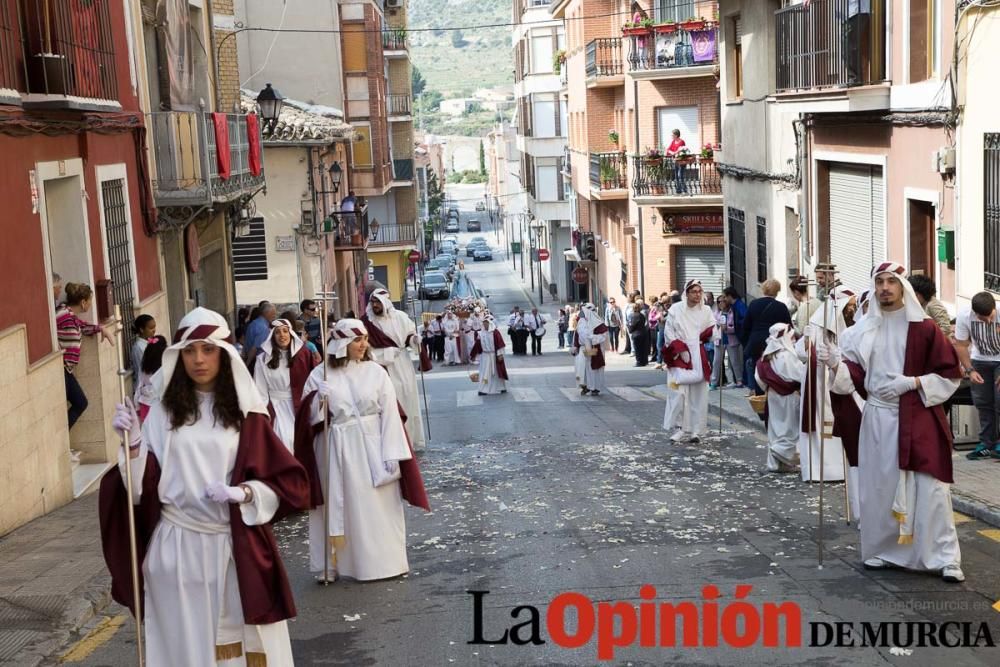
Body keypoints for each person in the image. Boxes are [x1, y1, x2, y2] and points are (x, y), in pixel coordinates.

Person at [99, 307, 310, 666]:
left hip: (233, 547)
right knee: (185, 651)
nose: (198, 359)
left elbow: (288, 485)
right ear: (178, 357)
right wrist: (133, 445)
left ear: (225, 354)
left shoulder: (248, 413)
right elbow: (138, 494)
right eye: (190, 351)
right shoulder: (162, 415)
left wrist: (245, 494)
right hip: (177, 551)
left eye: (208, 349)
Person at [823, 262, 964, 582]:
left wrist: (913, 383)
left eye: (891, 281)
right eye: (879, 282)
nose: (885, 287)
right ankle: (882, 551)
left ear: (902, 286)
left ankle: (944, 557)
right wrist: (834, 364)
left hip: (918, 415)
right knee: (880, 487)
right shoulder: (861, 331)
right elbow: (853, 380)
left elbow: (949, 373)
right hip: (878, 418)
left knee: (932, 489)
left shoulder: (925, 328)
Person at [294, 319, 429, 582]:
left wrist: (393, 453)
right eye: (358, 340)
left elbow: (390, 412)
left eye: (365, 338)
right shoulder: (319, 375)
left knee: (377, 506)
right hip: (336, 445)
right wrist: (316, 400)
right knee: (339, 504)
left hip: (373, 444)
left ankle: (385, 562)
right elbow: (308, 420)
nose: (364, 344)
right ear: (342, 343)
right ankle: (332, 564)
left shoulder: (376, 372)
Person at [795, 285, 857, 484]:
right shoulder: (815, 324)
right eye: (850, 306)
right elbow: (801, 353)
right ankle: (817, 469)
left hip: (839, 378)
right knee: (819, 422)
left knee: (840, 419)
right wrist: (807, 344)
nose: (852, 310)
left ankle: (840, 469)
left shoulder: (849, 325)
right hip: (818, 382)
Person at [362, 289, 427, 451]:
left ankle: (411, 439)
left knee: (409, 398)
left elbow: (408, 337)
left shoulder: (400, 317)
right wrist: (387, 353)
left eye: (378, 302)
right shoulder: (366, 322)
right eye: (373, 302)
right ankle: (395, 443)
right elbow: (365, 352)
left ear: (386, 303)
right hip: (383, 368)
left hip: (403, 364)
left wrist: (415, 340)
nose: (375, 305)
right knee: (391, 403)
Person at [662, 280, 716, 443]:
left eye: (700, 291)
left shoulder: (706, 310)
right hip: (680, 354)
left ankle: (696, 430)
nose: (697, 294)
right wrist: (680, 349)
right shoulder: (675, 310)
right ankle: (679, 428)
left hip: (698, 354)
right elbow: (669, 333)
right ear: (687, 292)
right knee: (678, 393)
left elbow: (712, 331)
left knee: (698, 393)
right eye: (694, 291)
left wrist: (717, 330)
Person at [254, 318, 317, 453]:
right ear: (272, 336)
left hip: (299, 406)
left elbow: (313, 380)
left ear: (291, 333)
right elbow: (260, 390)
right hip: (276, 407)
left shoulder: (303, 355)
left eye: (285, 331)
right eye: (277, 332)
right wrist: (264, 414)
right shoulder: (263, 359)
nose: (282, 335)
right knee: (283, 443)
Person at [57, 283, 114, 430]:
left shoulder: (71, 316)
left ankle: (64, 440)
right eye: (90, 301)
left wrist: (101, 328)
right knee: (78, 403)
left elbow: (82, 326)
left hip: (67, 370)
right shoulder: (63, 314)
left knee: (81, 403)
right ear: (83, 302)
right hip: (61, 370)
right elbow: (51, 326)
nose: (90, 304)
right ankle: (62, 443)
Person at [954, 291, 1000, 460]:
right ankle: (986, 443)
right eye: (982, 318)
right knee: (983, 402)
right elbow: (961, 345)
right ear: (974, 313)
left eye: (990, 316)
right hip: (979, 360)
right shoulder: (965, 316)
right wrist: (970, 370)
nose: (988, 321)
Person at [755, 323, 804, 473]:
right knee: (790, 429)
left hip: (773, 396)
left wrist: (770, 388)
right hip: (789, 397)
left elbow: (759, 378)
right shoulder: (788, 356)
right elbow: (800, 376)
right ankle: (780, 452)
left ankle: (776, 463)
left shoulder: (766, 356)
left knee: (776, 429)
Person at [741, 279, 792, 394]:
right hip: (774, 344)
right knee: (774, 370)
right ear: (777, 291)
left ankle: (760, 396)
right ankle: (772, 395)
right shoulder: (781, 307)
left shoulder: (754, 304)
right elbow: (788, 327)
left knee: (757, 369)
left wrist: (747, 343)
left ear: (763, 289)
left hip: (756, 343)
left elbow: (745, 326)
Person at [576, 304, 609, 395]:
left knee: (595, 368)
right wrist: (576, 345)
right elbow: (578, 333)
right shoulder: (581, 321)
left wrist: (592, 338)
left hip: (596, 348)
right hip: (585, 347)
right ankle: (586, 386)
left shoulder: (598, 322)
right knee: (585, 368)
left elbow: (604, 335)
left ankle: (595, 388)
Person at [471, 315, 509, 395]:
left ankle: (501, 387)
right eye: (484, 323)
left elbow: (500, 344)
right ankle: (484, 389)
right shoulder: (481, 334)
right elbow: (477, 345)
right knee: (485, 372)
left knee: (496, 372)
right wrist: (473, 355)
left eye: (486, 323)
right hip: (485, 356)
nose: (485, 325)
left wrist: (500, 354)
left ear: (490, 323)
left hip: (494, 355)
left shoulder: (495, 332)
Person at [134, 335, 168, 422]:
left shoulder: (144, 366)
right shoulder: (165, 367)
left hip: (144, 403)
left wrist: (137, 405)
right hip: (159, 404)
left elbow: (139, 384)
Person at [244, 302, 276, 367]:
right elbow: (254, 348)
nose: (274, 316)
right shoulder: (263, 327)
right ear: (267, 313)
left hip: (251, 358)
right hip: (256, 362)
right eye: (273, 313)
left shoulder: (254, 323)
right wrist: (247, 364)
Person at [131, 314, 157, 384]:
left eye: (154, 327)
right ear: (142, 329)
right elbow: (142, 370)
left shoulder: (149, 343)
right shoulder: (138, 347)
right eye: (151, 328)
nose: (154, 330)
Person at [665, 129, 688, 194]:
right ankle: (678, 190)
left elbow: (681, 150)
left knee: (680, 175)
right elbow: (668, 149)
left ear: (676, 135)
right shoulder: (673, 141)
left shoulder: (681, 141)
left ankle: (684, 190)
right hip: (675, 161)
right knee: (676, 175)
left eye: (672, 135)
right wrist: (672, 152)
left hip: (681, 160)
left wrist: (674, 152)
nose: (671, 136)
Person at [628, 302, 649, 367]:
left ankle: (639, 362)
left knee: (637, 349)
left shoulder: (633, 315)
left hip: (636, 334)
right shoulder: (642, 315)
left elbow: (632, 325)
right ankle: (644, 361)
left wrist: (630, 329)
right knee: (643, 348)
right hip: (643, 332)